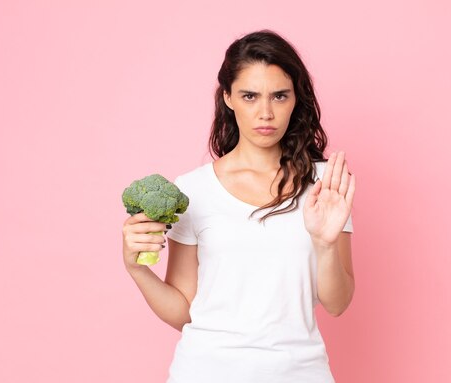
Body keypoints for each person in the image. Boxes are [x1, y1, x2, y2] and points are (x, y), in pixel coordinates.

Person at [121, 30, 356, 383]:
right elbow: (185, 311)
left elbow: (337, 304)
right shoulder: (194, 189)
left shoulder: (326, 185)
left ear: (296, 99)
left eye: (279, 96)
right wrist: (137, 269)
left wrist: (324, 246)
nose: (265, 112)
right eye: (250, 96)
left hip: (300, 373)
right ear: (228, 97)